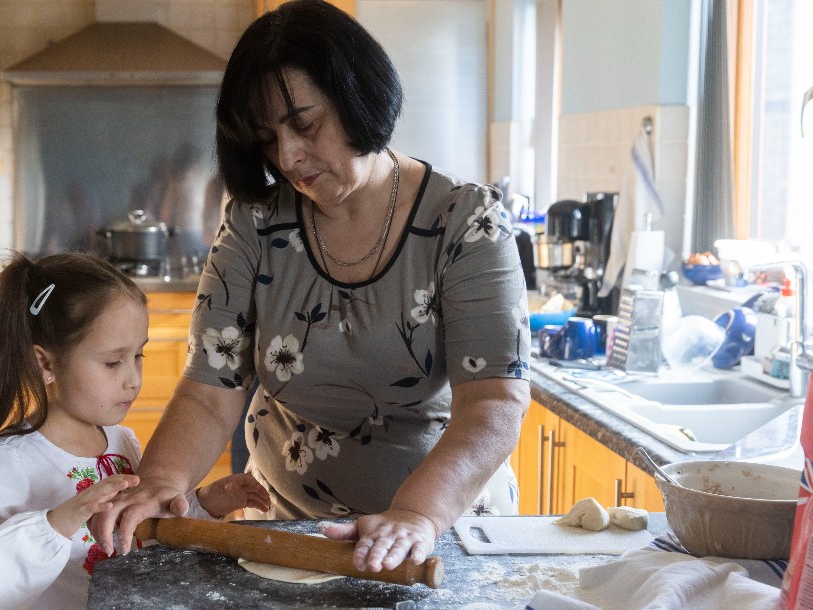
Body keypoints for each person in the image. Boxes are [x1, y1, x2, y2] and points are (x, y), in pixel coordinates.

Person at [91, 0, 531, 575]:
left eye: (304, 123)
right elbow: (209, 388)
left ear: (358, 95)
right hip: (286, 524)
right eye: (267, 139)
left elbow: (494, 403)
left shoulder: (465, 222)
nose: (288, 158)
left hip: (440, 532)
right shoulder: (254, 222)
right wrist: (162, 481)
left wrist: (418, 515)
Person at [0, 252, 270, 610]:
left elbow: (140, 536)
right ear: (45, 363)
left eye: (138, 357)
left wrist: (201, 505)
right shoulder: (0, 465)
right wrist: (54, 525)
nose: (133, 379)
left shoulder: (121, 443)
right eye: (113, 362)